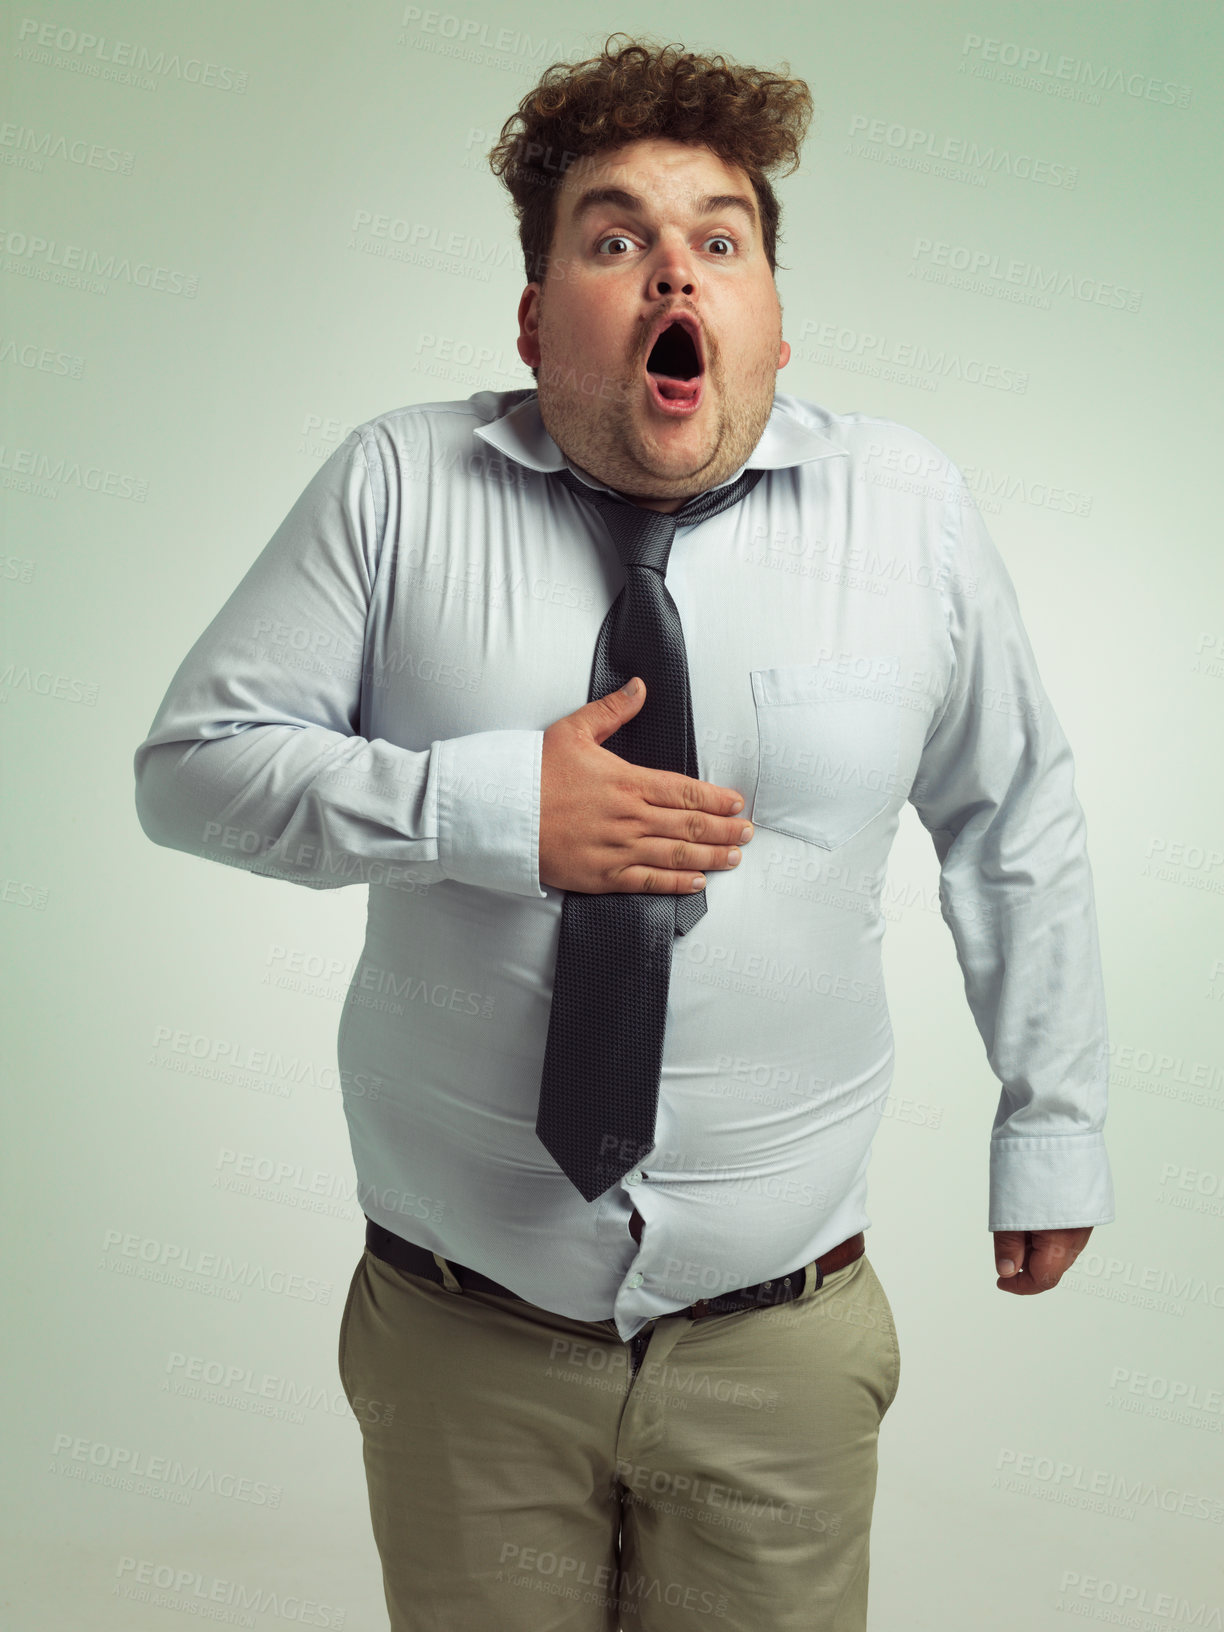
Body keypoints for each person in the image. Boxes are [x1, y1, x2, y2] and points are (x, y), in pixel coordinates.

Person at [132, 33, 1114, 1632]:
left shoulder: (910, 511)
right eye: (616, 237)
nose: (676, 269)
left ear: (772, 321)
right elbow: (191, 769)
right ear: (535, 318)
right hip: (464, 1336)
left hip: (781, 1340)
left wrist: (1051, 1119)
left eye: (719, 240)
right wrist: (483, 806)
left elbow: (1016, 817)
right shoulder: (396, 483)